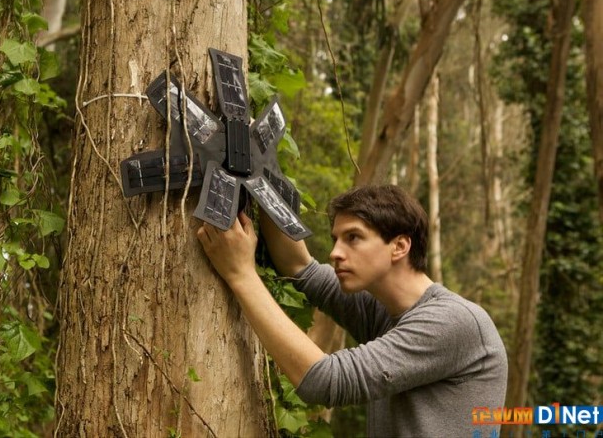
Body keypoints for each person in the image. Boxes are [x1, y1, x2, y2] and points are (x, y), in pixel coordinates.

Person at [196, 184, 507, 437]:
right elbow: (300, 268)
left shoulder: (452, 322)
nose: (335, 252)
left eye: (353, 238)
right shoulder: (387, 311)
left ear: (399, 246)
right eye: (335, 239)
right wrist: (257, 175)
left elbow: (325, 381)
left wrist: (241, 275)